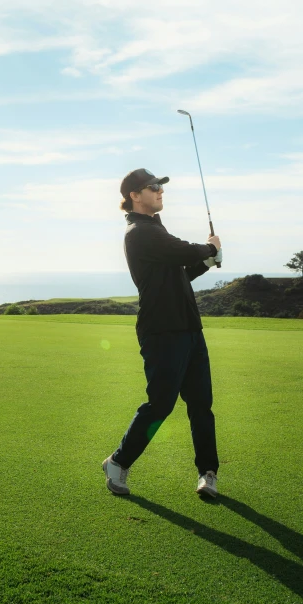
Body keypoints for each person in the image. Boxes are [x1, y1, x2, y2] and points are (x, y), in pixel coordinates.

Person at [102, 168, 222, 498]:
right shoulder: (138, 232)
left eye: (160, 187)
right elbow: (183, 250)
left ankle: (207, 473)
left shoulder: (154, 229)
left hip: (188, 328)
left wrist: (207, 262)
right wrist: (210, 249)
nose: (160, 191)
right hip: (161, 331)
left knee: (201, 404)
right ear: (134, 197)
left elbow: (180, 274)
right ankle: (118, 461)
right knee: (160, 405)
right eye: (152, 187)